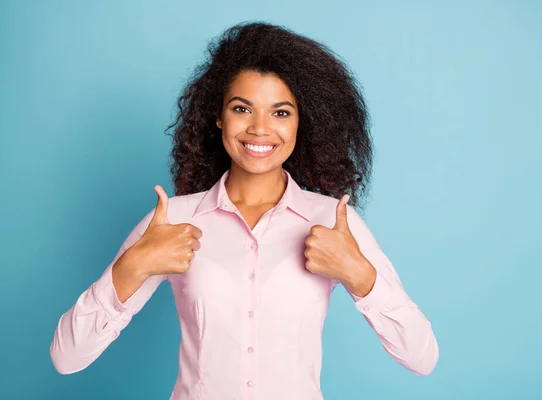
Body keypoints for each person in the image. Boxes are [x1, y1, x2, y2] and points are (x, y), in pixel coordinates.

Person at [50, 21, 439, 399]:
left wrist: (360, 275)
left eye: (281, 112)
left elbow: (422, 358)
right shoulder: (173, 221)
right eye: (242, 109)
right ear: (218, 116)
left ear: (303, 123)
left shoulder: (332, 223)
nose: (259, 128)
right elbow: (66, 358)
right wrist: (132, 267)